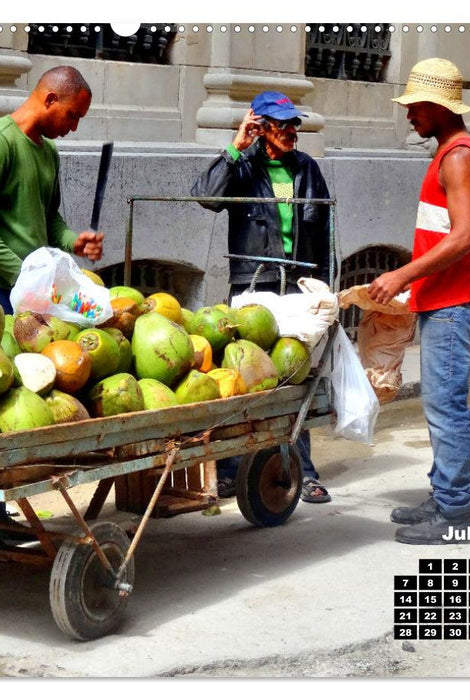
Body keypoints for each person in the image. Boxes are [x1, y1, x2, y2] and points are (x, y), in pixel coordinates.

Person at [0, 65, 104, 545]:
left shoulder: (48, 152)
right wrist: (21, 275)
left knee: (16, 397)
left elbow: (48, 222)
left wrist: (74, 241)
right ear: (49, 100)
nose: (73, 127)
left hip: (26, 292)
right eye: (73, 116)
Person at [367, 58, 470, 545]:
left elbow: (463, 238)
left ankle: (456, 513)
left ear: (440, 106)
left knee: (446, 408)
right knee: (440, 405)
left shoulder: (460, 156)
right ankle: (445, 494)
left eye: (417, 106)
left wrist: (401, 273)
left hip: (459, 302)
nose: (409, 115)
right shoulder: (450, 151)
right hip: (447, 299)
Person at [191, 91, 333, 503]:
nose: (292, 131)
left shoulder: (307, 169)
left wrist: (324, 284)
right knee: (246, 379)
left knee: (294, 376)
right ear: (261, 126)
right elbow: (207, 196)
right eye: (283, 124)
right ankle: (235, 469)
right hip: (255, 286)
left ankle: (301, 470)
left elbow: (321, 233)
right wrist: (236, 148)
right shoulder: (245, 167)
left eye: (294, 124)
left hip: (299, 286)